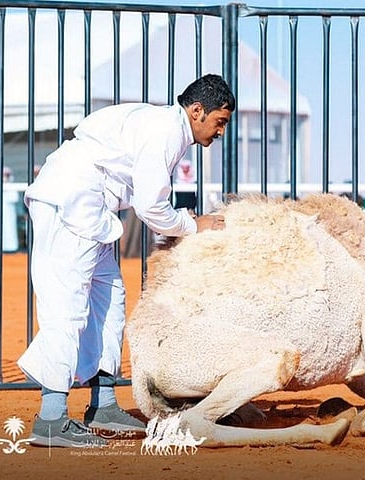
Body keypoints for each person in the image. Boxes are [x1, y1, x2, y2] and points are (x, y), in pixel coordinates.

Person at [18, 73, 235, 447]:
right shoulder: (166, 132)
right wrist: (194, 225)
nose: (221, 132)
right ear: (197, 110)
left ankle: (102, 404)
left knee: (110, 300)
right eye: (220, 121)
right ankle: (51, 418)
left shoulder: (167, 127)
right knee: (67, 306)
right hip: (72, 202)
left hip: (90, 207)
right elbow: (150, 207)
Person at [0, 166, 21, 253]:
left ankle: (11, 248)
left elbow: (15, 198)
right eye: (3, 175)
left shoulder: (12, 186)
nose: (5, 177)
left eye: (7, 175)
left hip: (9, 214)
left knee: (10, 230)